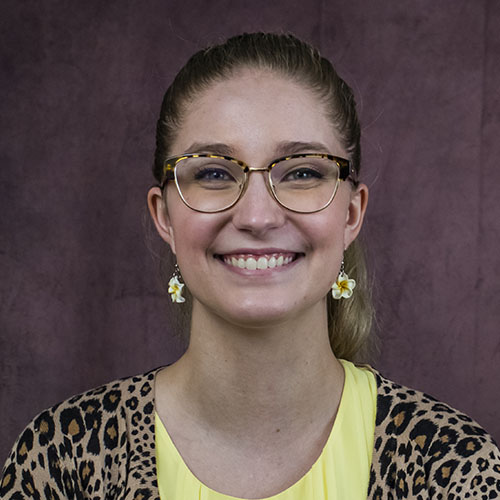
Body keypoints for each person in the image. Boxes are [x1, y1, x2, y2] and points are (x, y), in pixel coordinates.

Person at [1, 32, 499, 500]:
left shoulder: (451, 467)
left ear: (351, 214)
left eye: (303, 172)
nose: (258, 216)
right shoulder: (61, 458)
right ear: (164, 216)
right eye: (214, 173)